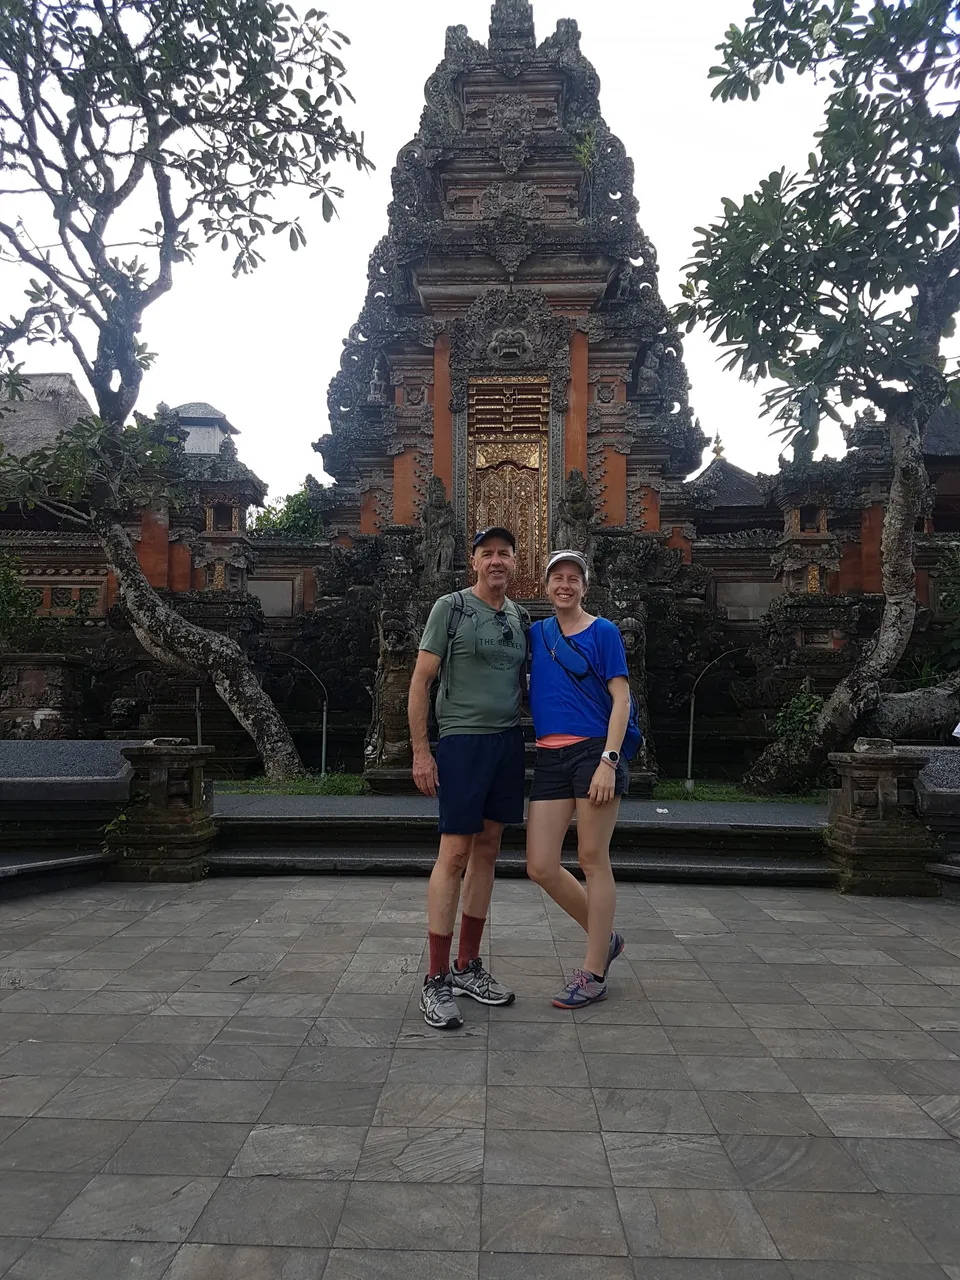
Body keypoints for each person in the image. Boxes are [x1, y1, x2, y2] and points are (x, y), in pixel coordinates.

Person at [408, 526, 528, 1029]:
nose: (496, 561)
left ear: (516, 563)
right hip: (461, 741)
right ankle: (435, 978)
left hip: (507, 743)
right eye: (487, 554)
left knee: (489, 850)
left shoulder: (520, 617)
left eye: (504, 553)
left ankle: (467, 966)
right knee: (454, 852)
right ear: (473, 562)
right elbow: (420, 680)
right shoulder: (450, 607)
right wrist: (421, 751)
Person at [526, 549, 630, 1008]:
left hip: (593, 752)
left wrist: (609, 759)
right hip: (549, 755)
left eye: (573, 578)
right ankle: (604, 937)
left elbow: (622, 699)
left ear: (584, 587)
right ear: (546, 587)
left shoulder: (603, 632)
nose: (564, 585)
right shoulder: (536, 633)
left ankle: (592, 971)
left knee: (592, 857)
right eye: (557, 578)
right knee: (541, 865)